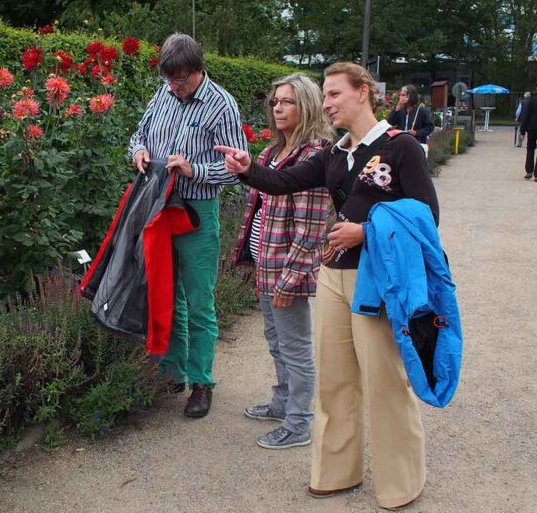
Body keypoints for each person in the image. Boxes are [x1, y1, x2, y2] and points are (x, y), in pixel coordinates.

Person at [216, 62, 439, 511]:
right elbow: (282, 181)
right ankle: (337, 471)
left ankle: (401, 482)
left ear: (363, 92)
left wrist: (365, 231)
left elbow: (428, 218)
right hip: (334, 274)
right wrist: (246, 168)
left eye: (335, 94)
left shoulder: (401, 148)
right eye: (325, 96)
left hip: (377, 279)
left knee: (385, 381)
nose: (327, 104)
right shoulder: (336, 153)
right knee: (335, 379)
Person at [126, 33, 247, 418]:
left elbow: (236, 168)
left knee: (199, 300)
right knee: (167, 292)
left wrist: (194, 169)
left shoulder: (221, 104)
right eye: (169, 79)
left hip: (196, 210)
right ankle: (172, 373)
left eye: (180, 79)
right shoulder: (163, 94)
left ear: (198, 70)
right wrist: (139, 152)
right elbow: (139, 135)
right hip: (159, 205)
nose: (174, 86)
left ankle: (201, 382)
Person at [232, 74, 331, 449]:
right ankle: (282, 402)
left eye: (287, 101)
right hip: (266, 263)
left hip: (287, 269)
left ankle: (299, 422)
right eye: (275, 101)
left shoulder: (314, 157)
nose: (277, 108)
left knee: (295, 347)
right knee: (276, 342)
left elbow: (311, 229)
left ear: (306, 106)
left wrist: (289, 280)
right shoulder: (270, 153)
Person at [520, 86, 537, 181]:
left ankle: (529, 171)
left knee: (530, 149)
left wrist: (522, 130)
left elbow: (526, 116)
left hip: (532, 128)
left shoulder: (531, 101)